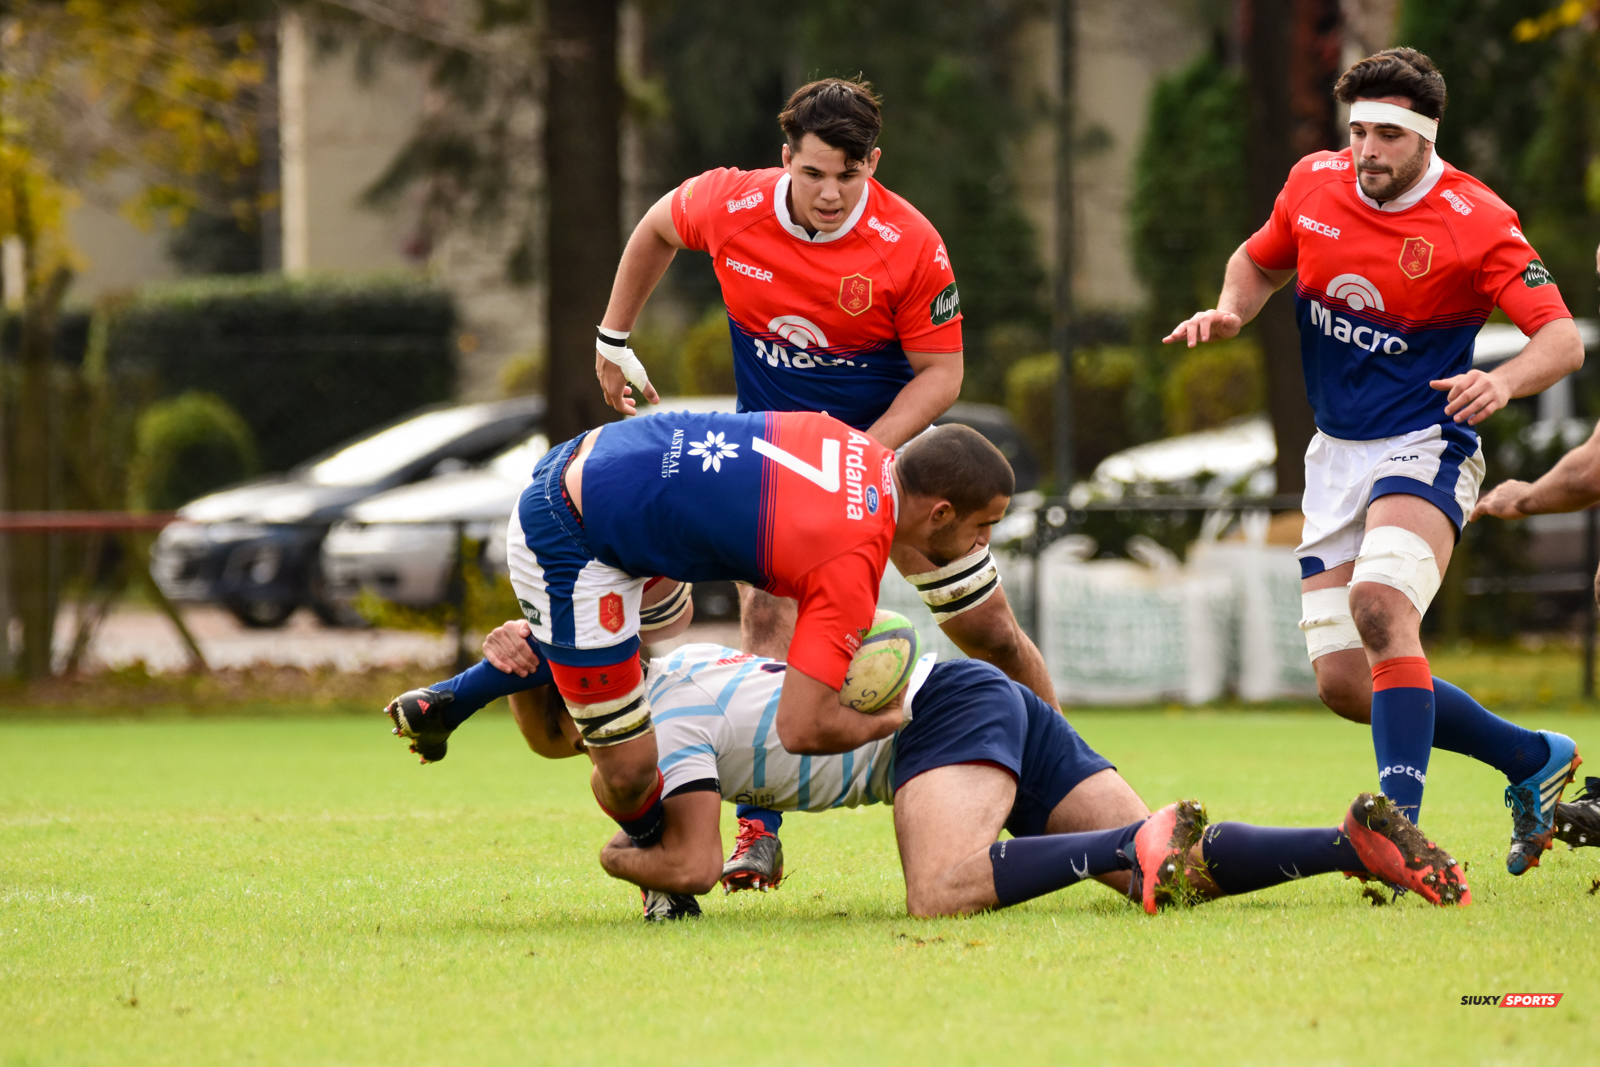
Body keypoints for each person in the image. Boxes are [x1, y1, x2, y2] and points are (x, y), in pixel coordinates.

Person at [1164, 47, 1584, 879]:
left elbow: (1562, 339)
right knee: (1347, 683)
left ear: (1427, 137)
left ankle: (1402, 837)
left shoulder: (1478, 219)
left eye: (1388, 134)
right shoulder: (1312, 185)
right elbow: (1257, 260)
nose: (1367, 150)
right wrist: (1231, 310)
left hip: (1426, 443)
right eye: (1358, 130)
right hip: (1336, 457)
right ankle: (1533, 755)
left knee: (1382, 605)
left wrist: (1500, 382)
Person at [588, 76, 1052, 756]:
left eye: (849, 173)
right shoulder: (731, 202)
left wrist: (859, 454)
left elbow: (942, 374)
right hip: (775, 473)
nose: (831, 193)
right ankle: (757, 829)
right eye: (813, 173)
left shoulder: (911, 243)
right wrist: (613, 338)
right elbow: (658, 225)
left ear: (873, 163)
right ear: (785, 160)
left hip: (891, 467)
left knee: (991, 634)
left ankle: (1068, 769)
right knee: (768, 628)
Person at [389, 631, 1471, 920]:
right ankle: (1347, 843)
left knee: (943, 887)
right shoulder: (682, 666)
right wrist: (492, 680)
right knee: (1176, 871)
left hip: (940, 715)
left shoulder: (655, 732)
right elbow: (565, 723)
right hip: (971, 693)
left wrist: (616, 854)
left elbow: (689, 856)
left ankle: (1118, 849)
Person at [389, 411, 1014, 863]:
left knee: (669, 617)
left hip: (595, 457)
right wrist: (895, 720)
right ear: (939, 514)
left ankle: (465, 690)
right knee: (629, 771)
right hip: (571, 539)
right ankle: (649, 856)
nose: (982, 544)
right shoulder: (851, 567)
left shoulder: (848, 442)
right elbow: (801, 730)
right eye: (982, 527)